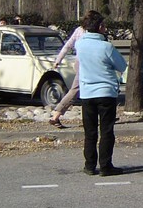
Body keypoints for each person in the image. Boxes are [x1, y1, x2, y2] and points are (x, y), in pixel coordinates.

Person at [75, 10, 127, 176]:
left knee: (90, 132)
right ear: (99, 27)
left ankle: (89, 165)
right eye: (103, 25)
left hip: (87, 92)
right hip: (105, 92)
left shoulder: (80, 44)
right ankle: (105, 165)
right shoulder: (106, 47)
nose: (105, 28)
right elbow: (122, 66)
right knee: (106, 131)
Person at [48, 16, 91, 128]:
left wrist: (58, 60)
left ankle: (96, 116)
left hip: (80, 62)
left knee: (88, 91)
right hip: (84, 64)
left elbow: (67, 46)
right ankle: (55, 116)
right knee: (76, 90)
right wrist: (58, 60)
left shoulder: (78, 30)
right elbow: (68, 46)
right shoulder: (86, 33)